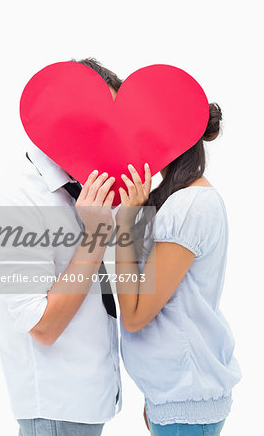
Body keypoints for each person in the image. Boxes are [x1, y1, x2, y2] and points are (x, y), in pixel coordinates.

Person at [0, 58, 123, 436]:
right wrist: (95, 237)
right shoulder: (11, 199)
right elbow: (41, 324)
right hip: (58, 410)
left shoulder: (91, 187)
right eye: (96, 117)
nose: (106, 132)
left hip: (95, 400)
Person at [114, 103, 242, 435]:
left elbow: (135, 314)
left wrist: (127, 220)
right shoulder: (182, 199)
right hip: (175, 394)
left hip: (185, 397)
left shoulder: (188, 205)